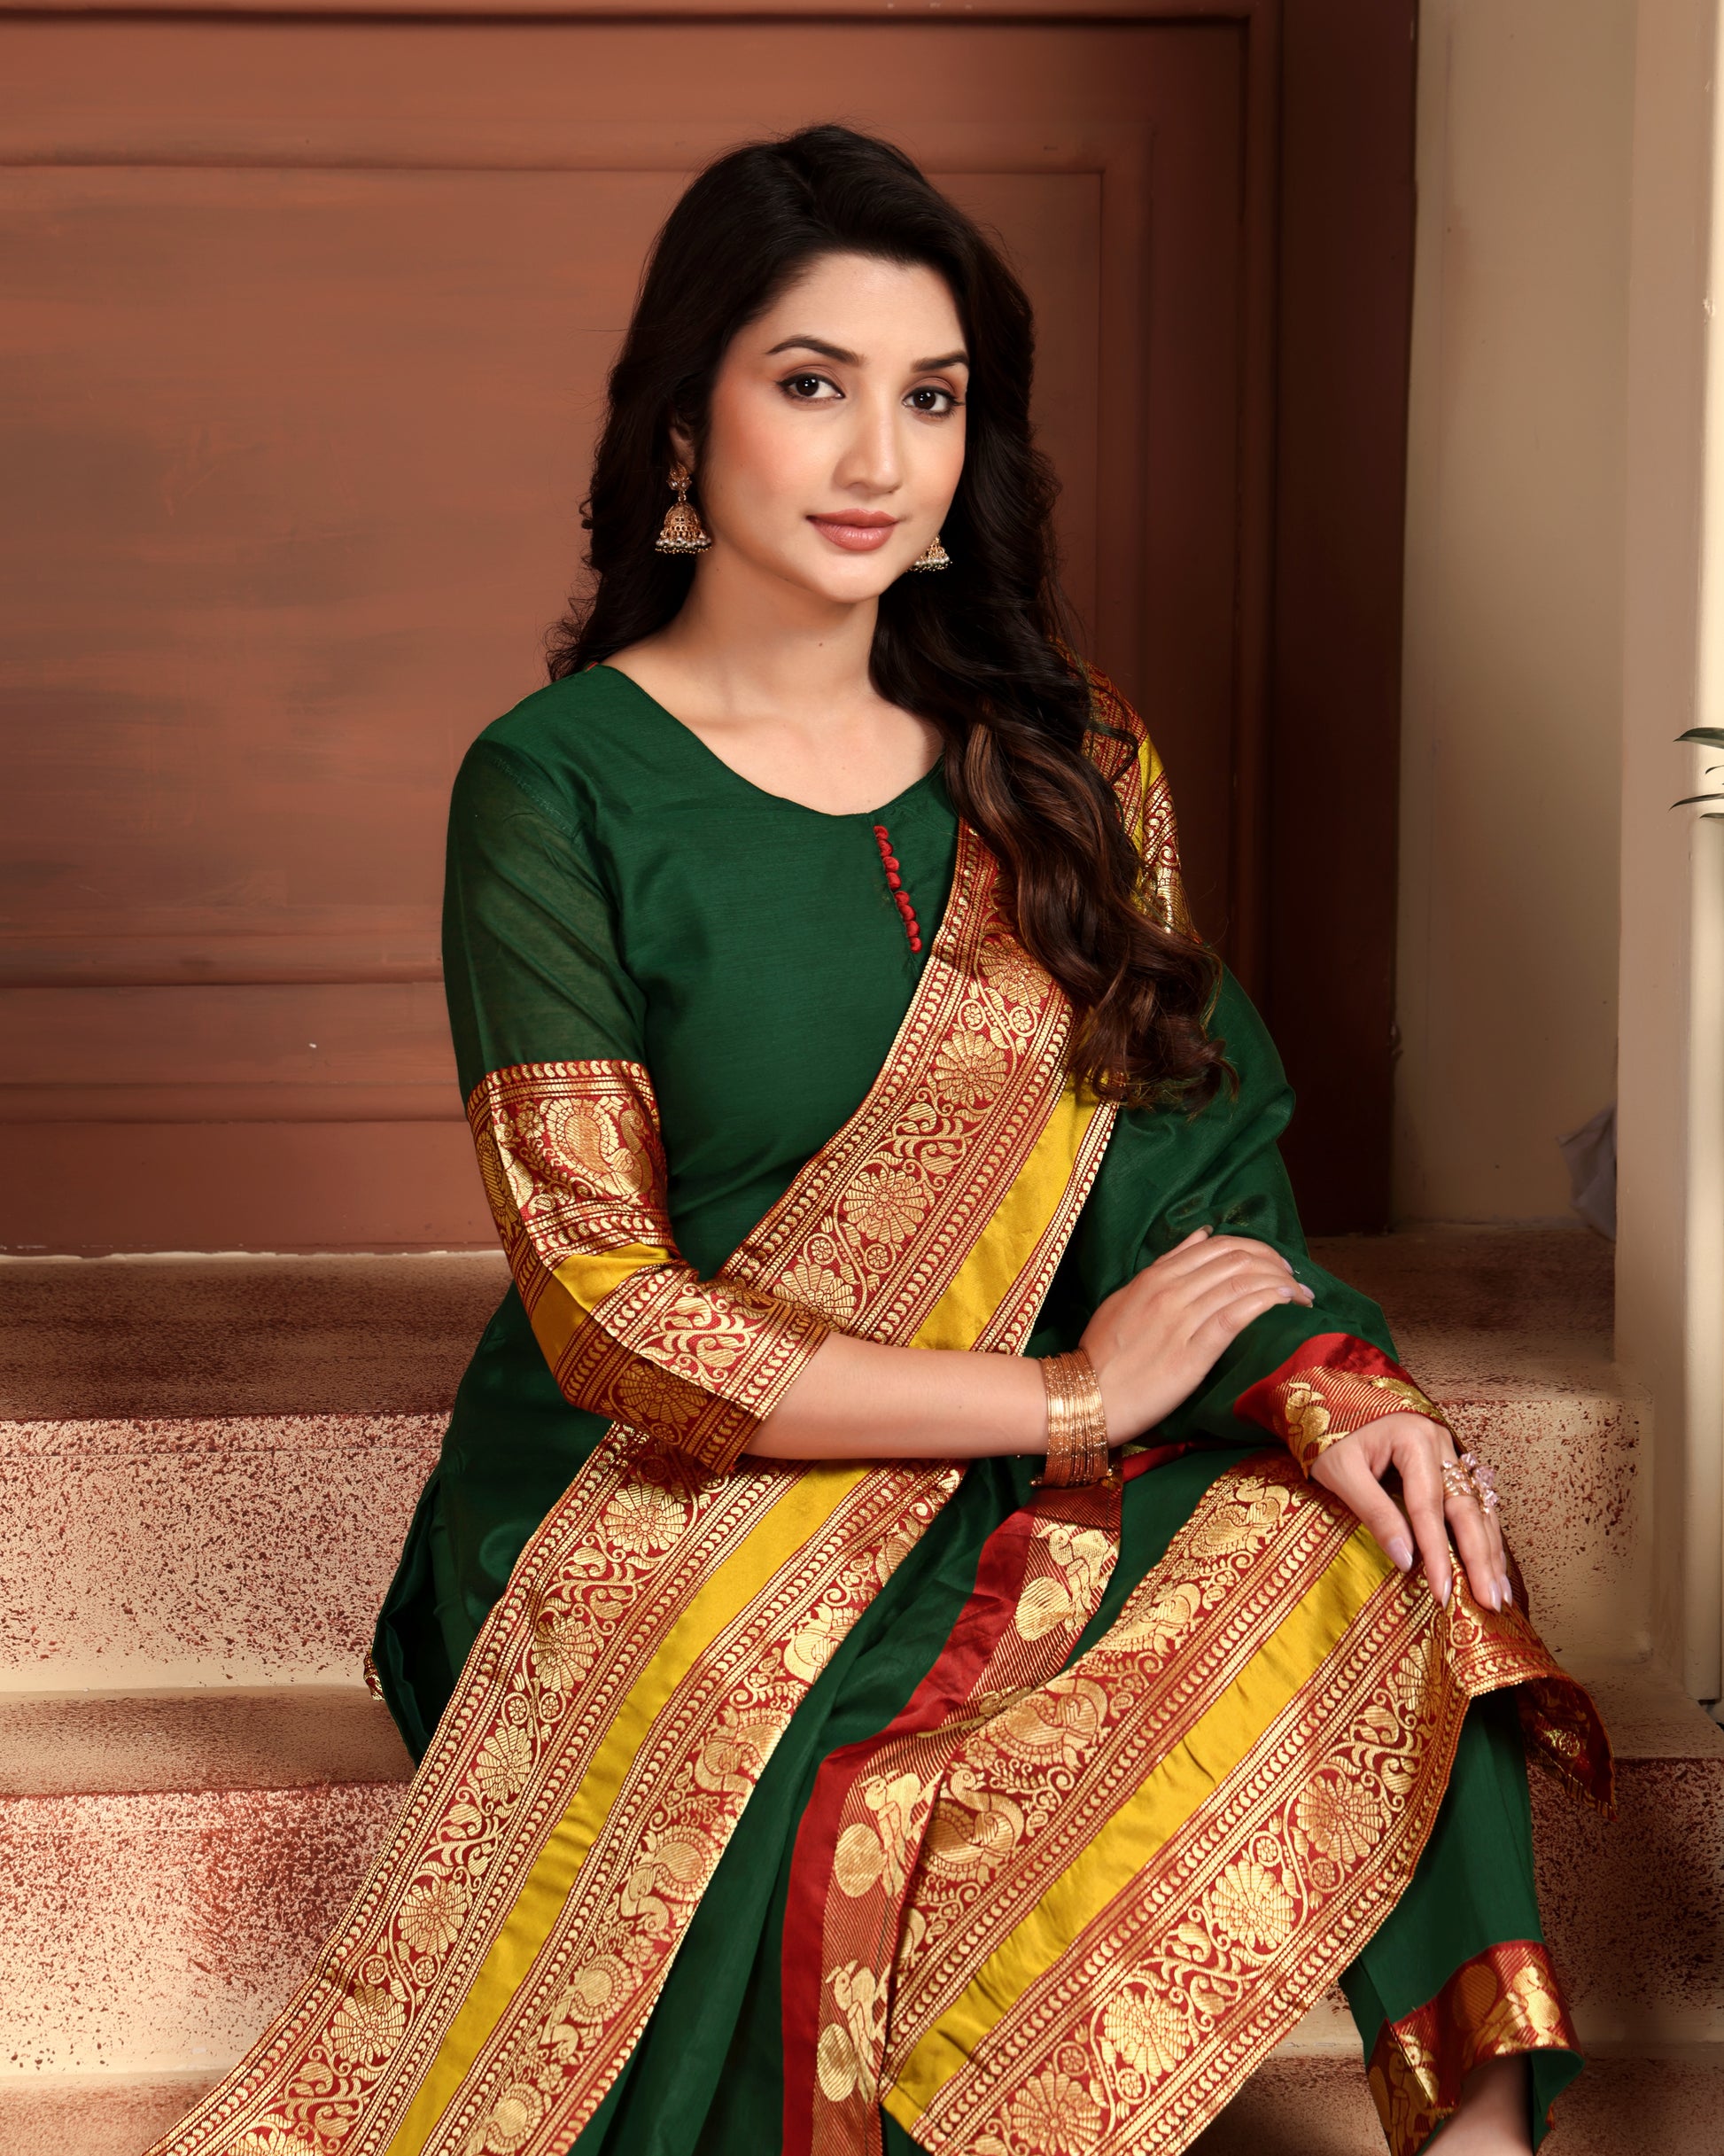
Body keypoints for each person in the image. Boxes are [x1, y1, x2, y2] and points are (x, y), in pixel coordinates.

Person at [149, 125, 1610, 2156]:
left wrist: (1324, 1383)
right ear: (684, 419)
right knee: (825, 1759)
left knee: (1383, 1549)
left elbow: (1189, 1161)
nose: (875, 457)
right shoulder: (559, 786)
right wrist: (1072, 1393)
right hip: (662, 1488)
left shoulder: (1068, 758)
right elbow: (611, 1312)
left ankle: (1479, 2143)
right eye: (811, 382)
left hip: (1002, 1457)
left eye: (930, 398)